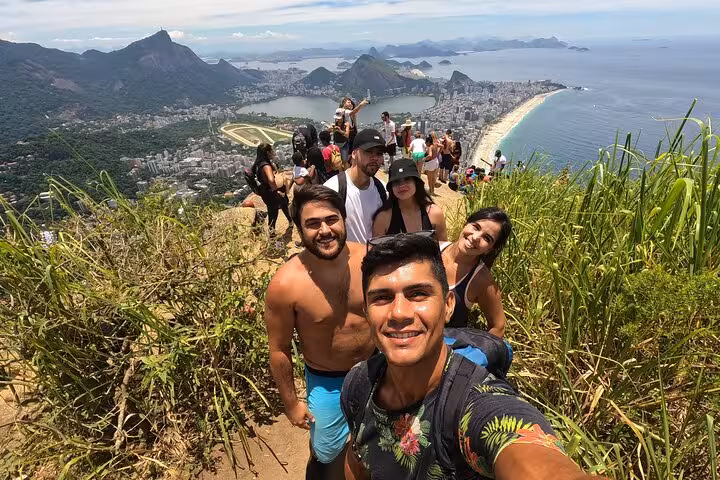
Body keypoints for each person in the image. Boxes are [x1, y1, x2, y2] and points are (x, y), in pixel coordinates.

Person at [342, 234, 598, 480]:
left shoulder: (476, 404)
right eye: (382, 298)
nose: (399, 313)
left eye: (418, 294)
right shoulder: (360, 382)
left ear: (449, 305)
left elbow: (526, 451)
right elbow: (357, 458)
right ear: (366, 311)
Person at [265, 185, 376, 479]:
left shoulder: (370, 260)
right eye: (312, 224)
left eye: (331, 219)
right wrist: (291, 403)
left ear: (344, 219)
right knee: (326, 457)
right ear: (300, 231)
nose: (325, 230)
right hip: (328, 382)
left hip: (377, 369)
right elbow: (279, 348)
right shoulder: (286, 284)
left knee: (378, 445)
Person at [440, 207, 511, 335]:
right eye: (476, 227)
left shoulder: (481, 280)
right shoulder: (430, 249)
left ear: (490, 249)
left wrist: (476, 353)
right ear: (466, 223)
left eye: (487, 238)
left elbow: (498, 327)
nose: (476, 237)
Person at [324, 129, 388, 244]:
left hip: (376, 258)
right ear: (354, 153)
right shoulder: (333, 189)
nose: (375, 158)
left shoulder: (383, 190)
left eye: (379, 153)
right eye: (369, 151)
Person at [372, 157, 447, 241]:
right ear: (391, 187)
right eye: (396, 181)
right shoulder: (383, 218)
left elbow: (444, 250)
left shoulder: (434, 213)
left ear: (416, 182)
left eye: (407, 179)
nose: (402, 185)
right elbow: (376, 252)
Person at [251, 143, 291, 236]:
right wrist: (276, 190)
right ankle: (273, 237)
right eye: (272, 151)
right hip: (271, 194)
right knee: (274, 215)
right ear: (267, 152)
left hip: (265, 193)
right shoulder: (266, 166)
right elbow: (271, 180)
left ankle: (290, 221)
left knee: (282, 204)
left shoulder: (257, 164)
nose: (273, 153)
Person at [423, 132, 441, 196]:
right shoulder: (435, 144)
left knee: (429, 178)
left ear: (428, 142)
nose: (425, 143)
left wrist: (424, 159)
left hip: (430, 163)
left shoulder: (430, 147)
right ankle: (432, 190)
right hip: (435, 161)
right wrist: (438, 153)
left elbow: (430, 155)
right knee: (433, 178)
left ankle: (431, 191)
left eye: (426, 142)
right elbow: (442, 146)